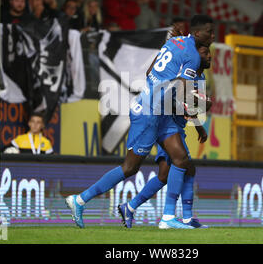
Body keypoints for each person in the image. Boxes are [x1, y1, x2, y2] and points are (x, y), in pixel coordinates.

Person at [65, 14, 215, 229]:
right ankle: (80, 200)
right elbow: (183, 89)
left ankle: (168, 219)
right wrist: (201, 102)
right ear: (199, 33)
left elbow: (149, 72)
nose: (213, 36)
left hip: (159, 112)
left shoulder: (174, 41)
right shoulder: (191, 56)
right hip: (148, 113)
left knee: (181, 160)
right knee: (130, 168)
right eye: (210, 32)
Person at [118, 37, 211, 229]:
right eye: (205, 53)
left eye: (209, 53)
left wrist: (200, 117)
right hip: (166, 126)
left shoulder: (200, 78)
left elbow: (192, 109)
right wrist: (193, 105)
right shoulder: (184, 71)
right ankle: (172, 217)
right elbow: (173, 102)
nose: (209, 56)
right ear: (195, 54)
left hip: (177, 129)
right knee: (183, 167)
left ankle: (133, 207)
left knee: (167, 174)